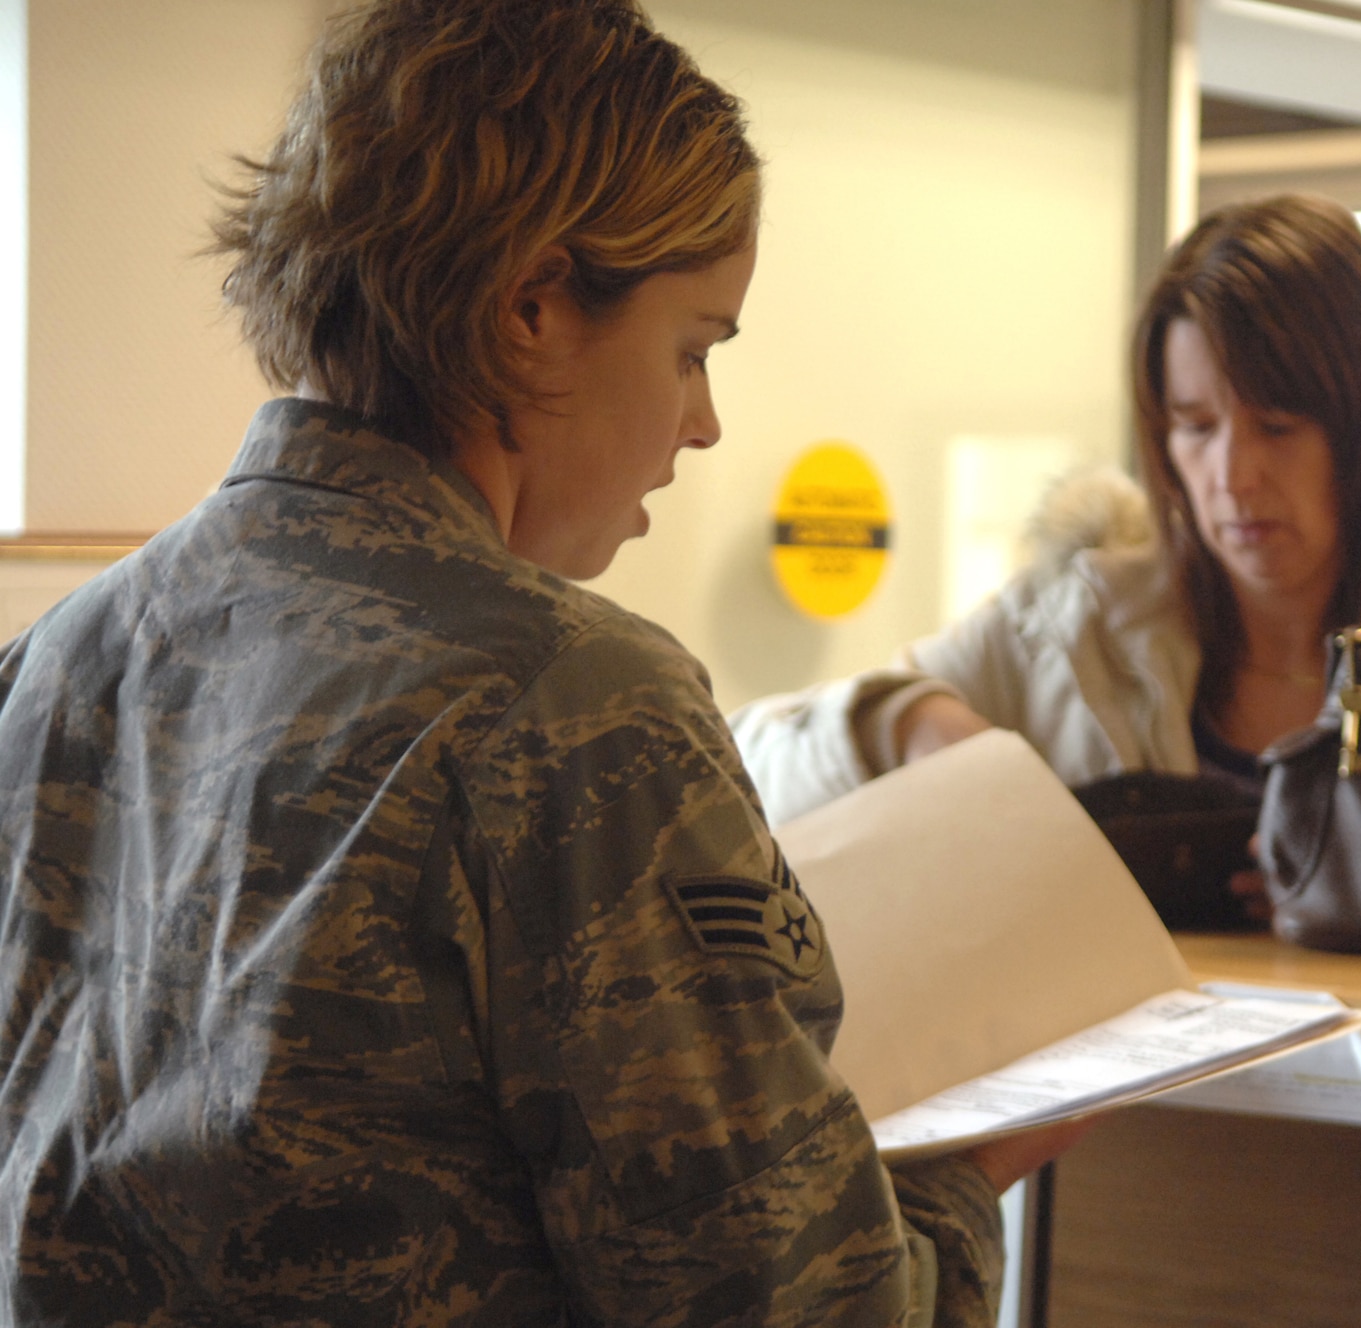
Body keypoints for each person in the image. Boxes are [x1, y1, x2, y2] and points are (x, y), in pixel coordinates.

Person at [0, 2, 1076, 1323]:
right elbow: (794, 1303)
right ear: (533, 309)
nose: (703, 423)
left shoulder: (52, 665)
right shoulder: (572, 706)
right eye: (691, 348)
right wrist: (972, 1186)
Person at [733, 194, 1361, 828]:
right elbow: (744, 763)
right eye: (1195, 426)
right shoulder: (1073, 627)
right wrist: (901, 724)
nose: (1232, 475)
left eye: (1277, 426)